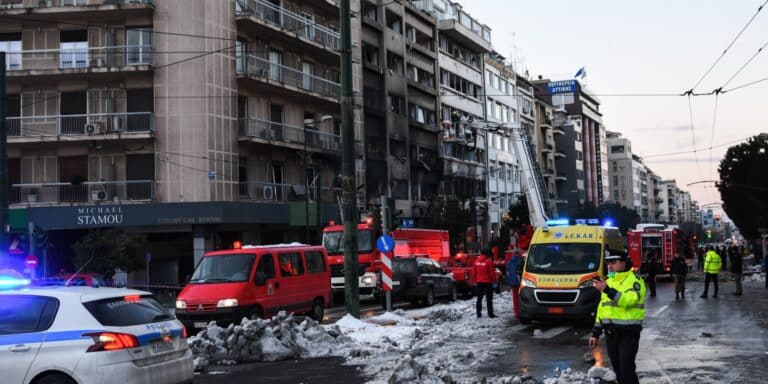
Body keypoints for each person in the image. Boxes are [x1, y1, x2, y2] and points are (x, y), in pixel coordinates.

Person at [589, 249, 646, 384]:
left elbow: (629, 301)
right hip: (611, 334)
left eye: (613, 262)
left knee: (626, 369)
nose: (609, 266)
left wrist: (607, 290)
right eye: (608, 262)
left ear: (623, 263)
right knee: (619, 371)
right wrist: (595, 333)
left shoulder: (635, 280)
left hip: (628, 333)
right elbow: (603, 309)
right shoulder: (609, 281)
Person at [474, 249, 496, 318]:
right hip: (488, 282)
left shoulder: (476, 262)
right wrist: (494, 281)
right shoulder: (489, 262)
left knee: (479, 298)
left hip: (479, 282)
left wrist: (476, 280)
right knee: (489, 298)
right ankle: (490, 313)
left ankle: (478, 313)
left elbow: (474, 272)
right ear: (487, 254)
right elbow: (492, 273)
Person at [506, 249, 523, 318]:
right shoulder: (521, 261)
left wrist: (509, 282)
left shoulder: (509, 262)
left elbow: (507, 273)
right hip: (520, 282)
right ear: (519, 254)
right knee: (522, 298)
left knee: (515, 298)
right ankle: (522, 311)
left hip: (512, 282)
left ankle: (516, 313)